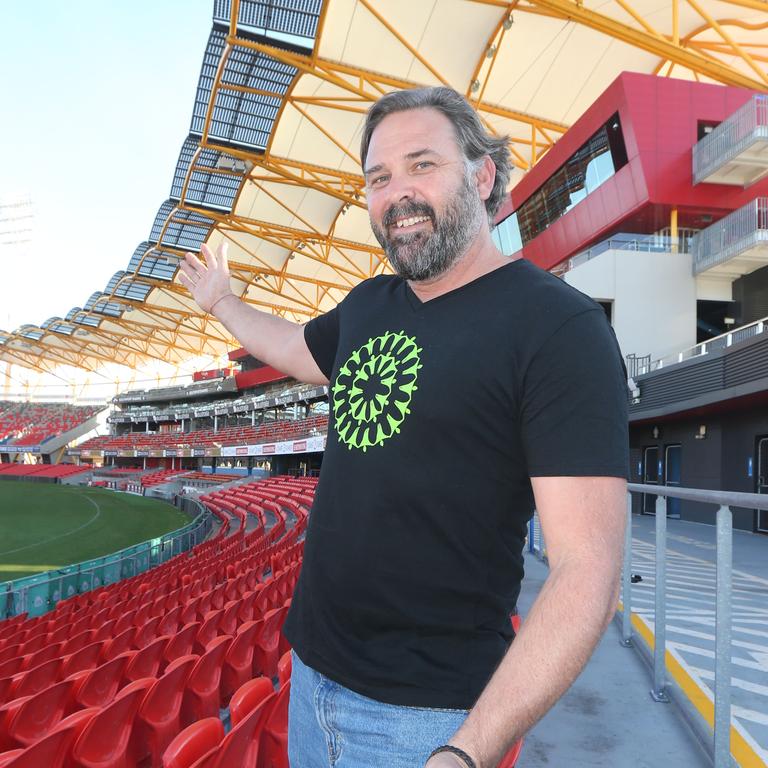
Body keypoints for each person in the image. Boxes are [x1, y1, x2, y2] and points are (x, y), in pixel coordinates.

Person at [179, 86, 628, 768]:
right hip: (311, 680)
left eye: (422, 165)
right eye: (379, 177)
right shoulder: (367, 305)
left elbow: (586, 570)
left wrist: (465, 752)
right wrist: (224, 303)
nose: (398, 193)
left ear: (482, 176)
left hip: (426, 723)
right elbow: (296, 349)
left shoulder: (557, 327)